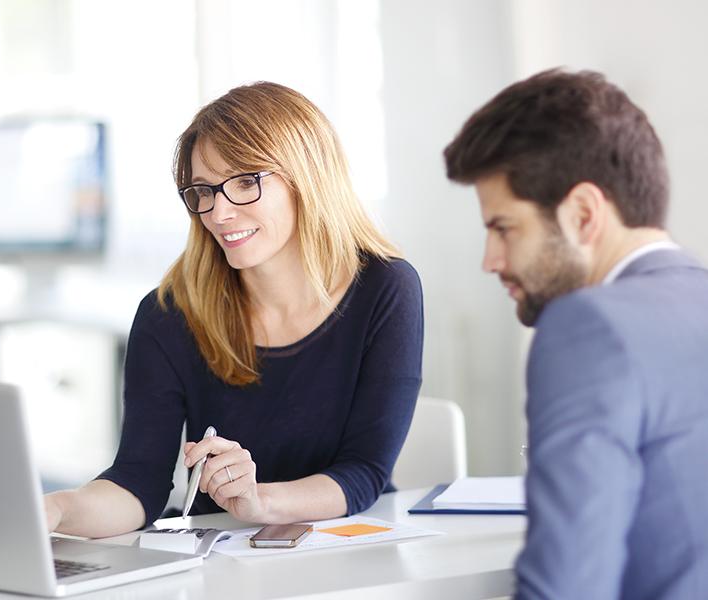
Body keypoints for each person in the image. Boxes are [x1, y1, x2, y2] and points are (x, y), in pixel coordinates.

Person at [45, 82, 423, 538]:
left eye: (245, 182)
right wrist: (59, 508)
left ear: (306, 177)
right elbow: (138, 482)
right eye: (203, 190)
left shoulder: (384, 288)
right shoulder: (169, 314)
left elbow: (364, 471)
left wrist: (260, 500)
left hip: (348, 548)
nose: (219, 213)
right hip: (221, 560)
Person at [443, 68, 708, 599]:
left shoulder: (589, 327)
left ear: (583, 214)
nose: (489, 261)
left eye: (503, 229)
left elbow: (566, 588)